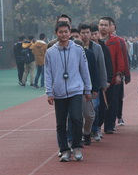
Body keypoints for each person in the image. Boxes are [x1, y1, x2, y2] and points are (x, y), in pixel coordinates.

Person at [45, 21, 92, 162]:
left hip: (75, 90)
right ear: (56, 33)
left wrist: (87, 88)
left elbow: (84, 69)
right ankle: (64, 149)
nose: (63, 34)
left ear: (70, 32)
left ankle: (76, 146)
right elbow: (48, 73)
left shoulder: (78, 49)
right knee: (61, 123)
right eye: (60, 32)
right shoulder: (50, 52)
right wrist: (49, 92)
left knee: (77, 118)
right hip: (59, 92)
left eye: (66, 31)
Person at [98, 16, 127, 134]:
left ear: (110, 27)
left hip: (112, 76)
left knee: (112, 101)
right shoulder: (95, 40)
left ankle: (109, 125)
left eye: (106, 25)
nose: (103, 27)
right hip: (98, 76)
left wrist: (119, 74)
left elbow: (119, 58)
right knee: (99, 102)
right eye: (101, 25)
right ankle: (97, 125)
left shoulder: (115, 41)